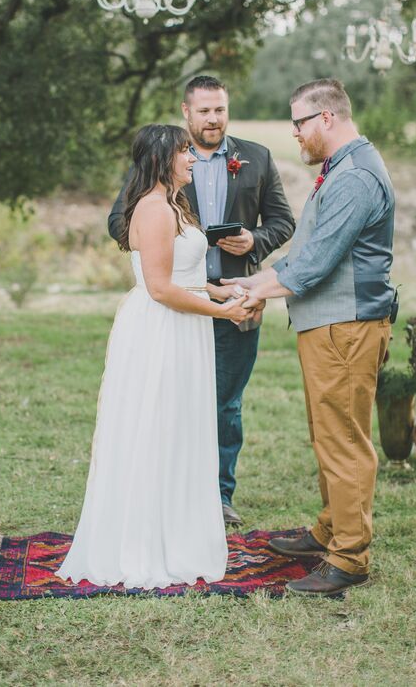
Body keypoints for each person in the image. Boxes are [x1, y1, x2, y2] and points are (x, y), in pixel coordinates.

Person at [55, 124, 252, 590]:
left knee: (180, 425)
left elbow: (183, 275)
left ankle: (176, 532)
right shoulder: (152, 208)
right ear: (164, 158)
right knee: (158, 424)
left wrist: (222, 289)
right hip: (162, 330)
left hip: (183, 327)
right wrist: (223, 313)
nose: (192, 158)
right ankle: (148, 545)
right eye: (185, 151)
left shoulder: (172, 205)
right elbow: (161, 288)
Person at [225, 78, 395, 597]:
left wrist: (258, 295)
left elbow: (315, 265)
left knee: (343, 440)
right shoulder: (340, 169)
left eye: (298, 122)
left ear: (326, 118)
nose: (294, 133)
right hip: (328, 325)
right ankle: (331, 528)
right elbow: (308, 250)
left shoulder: (356, 177)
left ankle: (349, 557)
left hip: (347, 326)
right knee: (328, 433)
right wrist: (251, 281)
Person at [108, 77, 295, 526]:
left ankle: (219, 496)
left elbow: (284, 222)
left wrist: (253, 240)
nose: (214, 118)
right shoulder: (160, 162)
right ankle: (172, 493)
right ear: (186, 112)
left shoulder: (257, 158)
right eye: (205, 111)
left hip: (236, 298)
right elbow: (120, 219)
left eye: (221, 110)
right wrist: (162, 244)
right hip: (173, 306)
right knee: (173, 402)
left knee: (225, 405)